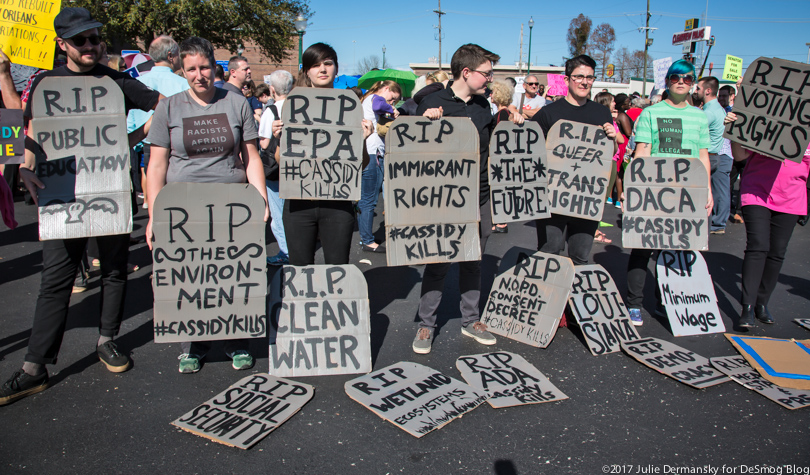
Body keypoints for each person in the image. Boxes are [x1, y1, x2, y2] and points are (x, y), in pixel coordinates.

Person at [0, 7, 162, 405]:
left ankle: (108, 341)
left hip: (109, 191)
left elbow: (168, 107)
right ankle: (34, 367)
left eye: (95, 38)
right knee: (55, 280)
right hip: (61, 197)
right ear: (62, 45)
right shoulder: (43, 83)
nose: (90, 46)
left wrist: (130, 141)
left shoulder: (117, 80)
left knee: (113, 271)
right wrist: (21, 164)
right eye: (80, 40)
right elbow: (12, 123)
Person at [144, 36, 269, 374]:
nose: (199, 75)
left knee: (231, 275)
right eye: (191, 69)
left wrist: (260, 199)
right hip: (183, 208)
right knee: (190, 276)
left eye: (204, 67)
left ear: (215, 65)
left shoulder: (237, 103)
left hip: (232, 205)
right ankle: (193, 345)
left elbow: (251, 156)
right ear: (181, 70)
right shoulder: (168, 108)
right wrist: (153, 214)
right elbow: (156, 165)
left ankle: (235, 341)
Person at [412, 43, 523, 354]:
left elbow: (493, 145)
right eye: (487, 74)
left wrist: (510, 116)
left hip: (480, 195)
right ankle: (426, 324)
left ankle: (471, 319)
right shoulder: (433, 102)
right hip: (444, 199)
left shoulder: (482, 106)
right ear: (466, 72)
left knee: (474, 259)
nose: (490, 79)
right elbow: (412, 150)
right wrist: (425, 120)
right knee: (439, 261)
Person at [623, 60, 712, 326]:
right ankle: (634, 304)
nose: (681, 81)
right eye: (675, 77)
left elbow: (703, 155)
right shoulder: (651, 113)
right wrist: (633, 187)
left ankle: (668, 303)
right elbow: (642, 152)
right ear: (668, 81)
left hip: (686, 191)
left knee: (677, 249)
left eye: (686, 77)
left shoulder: (700, 116)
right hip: (653, 189)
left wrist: (707, 189)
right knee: (642, 247)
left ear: (693, 82)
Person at [270, 43, 372, 266]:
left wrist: (362, 141)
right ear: (307, 70)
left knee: (338, 268)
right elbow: (280, 161)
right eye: (315, 65)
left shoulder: (349, 106)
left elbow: (361, 164)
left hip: (337, 203)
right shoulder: (293, 105)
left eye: (328, 63)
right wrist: (280, 139)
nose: (322, 69)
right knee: (300, 267)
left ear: (336, 68)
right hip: (298, 203)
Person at [529, 55, 616, 265]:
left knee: (580, 257)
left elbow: (605, 157)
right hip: (552, 198)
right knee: (549, 253)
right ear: (567, 80)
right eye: (578, 77)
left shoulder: (602, 112)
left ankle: (573, 298)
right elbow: (532, 152)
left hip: (587, 198)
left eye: (589, 77)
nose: (584, 82)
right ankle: (549, 297)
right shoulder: (548, 113)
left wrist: (612, 137)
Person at [730, 141, 810, 328]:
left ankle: (762, 303)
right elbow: (740, 156)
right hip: (757, 192)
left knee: (777, 251)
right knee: (757, 245)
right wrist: (735, 132)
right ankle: (747, 307)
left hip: (792, 196)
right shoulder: (767, 122)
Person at [127, 35, 190, 213]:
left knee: (157, 203)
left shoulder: (137, 84)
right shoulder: (183, 85)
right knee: (179, 203)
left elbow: (131, 121)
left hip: (147, 148)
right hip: (175, 151)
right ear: (171, 56)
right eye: (178, 54)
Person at [359, 80, 401, 253]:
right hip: (372, 153)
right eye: (392, 98)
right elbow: (379, 105)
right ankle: (367, 240)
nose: (391, 103)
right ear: (386, 89)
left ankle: (366, 236)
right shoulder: (375, 99)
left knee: (366, 199)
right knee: (369, 200)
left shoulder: (367, 99)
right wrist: (393, 111)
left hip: (368, 151)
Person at [258, 69, 294, 265]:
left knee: (278, 212)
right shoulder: (299, 107)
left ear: (272, 89)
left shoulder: (270, 111)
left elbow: (264, 144)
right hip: (296, 166)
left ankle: (285, 252)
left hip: (275, 169)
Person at [694, 76, 732, 235]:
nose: (696, 91)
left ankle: (707, 226)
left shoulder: (709, 111)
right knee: (717, 191)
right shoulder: (716, 108)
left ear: (708, 91)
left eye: (698, 88)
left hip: (709, 155)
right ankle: (716, 224)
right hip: (715, 154)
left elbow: (695, 128)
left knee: (704, 193)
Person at [593, 91, 625, 244]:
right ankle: (594, 229)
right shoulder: (606, 121)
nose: (614, 104)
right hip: (607, 160)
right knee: (601, 196)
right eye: (612, 101)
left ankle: (595, 227)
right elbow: (620, 138)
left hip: (610, 160)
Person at [489, 79, 514, 234]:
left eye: (492, 92)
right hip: (504, 159)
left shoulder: (501, 115)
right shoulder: (508, 113)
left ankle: (500, 223)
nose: (490, 94)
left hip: (499, 158)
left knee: (497, 189)